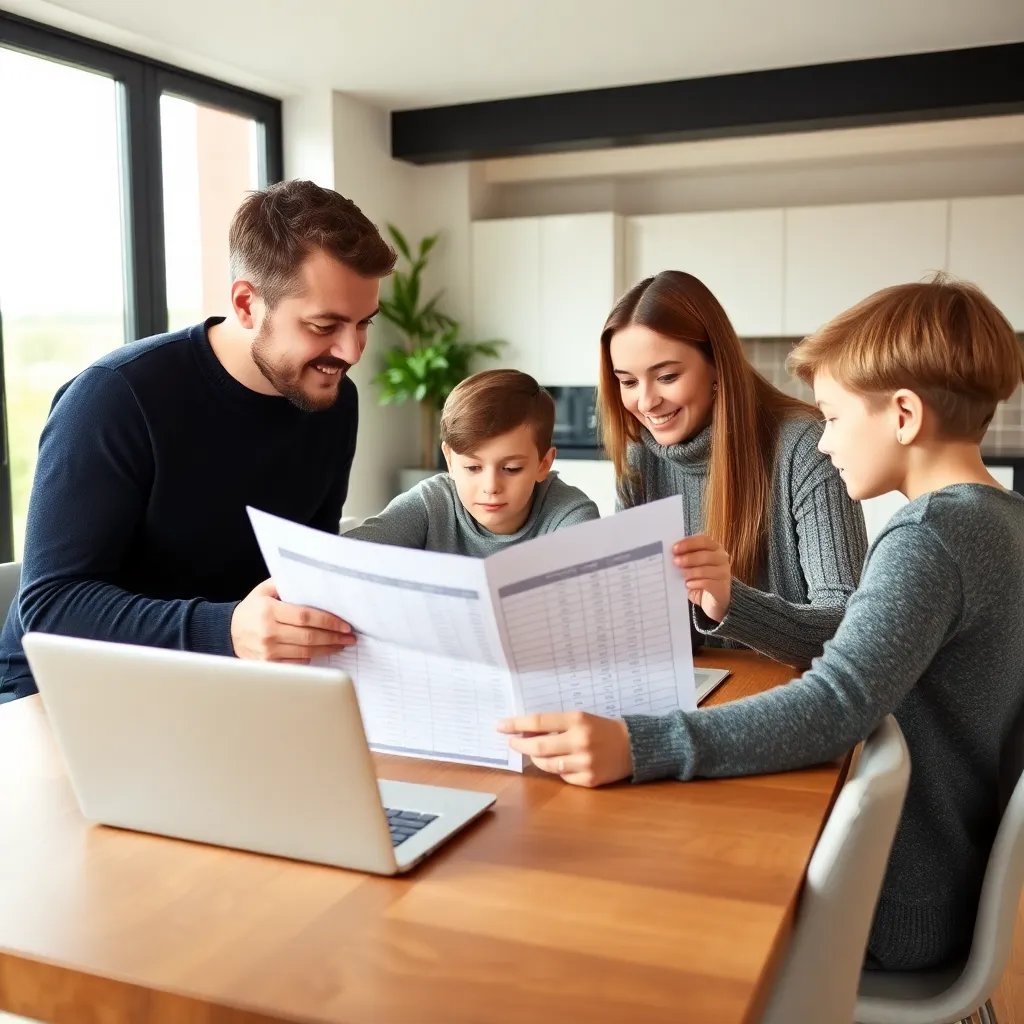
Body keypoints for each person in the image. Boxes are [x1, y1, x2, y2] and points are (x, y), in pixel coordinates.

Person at [499, 277, 1024, 972]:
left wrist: (639, 744)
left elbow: (835, 705)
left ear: (902, 415)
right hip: (943, 880)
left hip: (896, 904)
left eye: (833, 417)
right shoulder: (1001, 519)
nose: (825, 441)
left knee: (618, 904)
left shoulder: (928, 536)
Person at [0, 180, 396, 701]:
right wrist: (225, 630)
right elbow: (52, 607)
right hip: (62, 694)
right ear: (247, 304)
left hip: (221, 682)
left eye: (363, 323)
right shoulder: (116, 398)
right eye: (325, 325)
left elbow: (301, 571)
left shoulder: (328, 398)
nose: (351, 351)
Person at [599, 270, 867, 667]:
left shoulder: (805, 447)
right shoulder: (641, 460)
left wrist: (731, 602)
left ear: (716, 367)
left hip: (795, 699)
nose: (646, 401)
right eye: (627, 381)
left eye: (667, 376)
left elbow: (850, 630)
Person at [346, 369, 599, 553]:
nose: (490, 486)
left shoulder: (570, 515)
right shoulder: (430, 503)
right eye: (472, 467)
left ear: (543, 464)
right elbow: (349, 555)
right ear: (450, 460)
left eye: (511, 469)